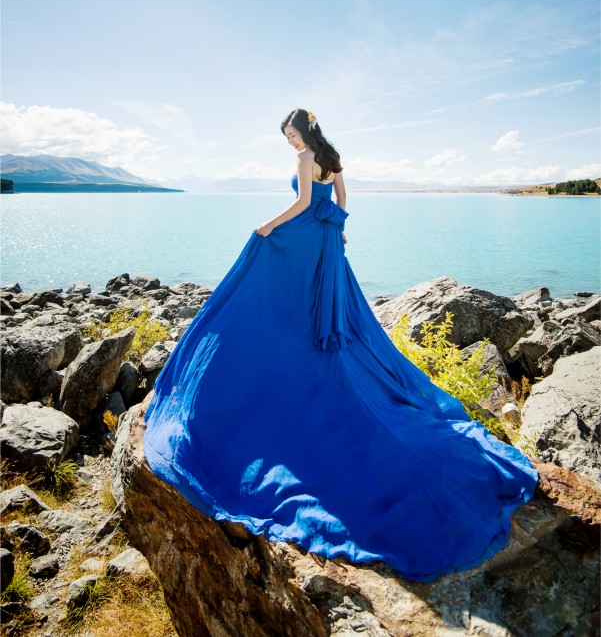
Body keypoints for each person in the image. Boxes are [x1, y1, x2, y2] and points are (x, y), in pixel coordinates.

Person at [144, 108, 537, 582]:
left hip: (310, 237)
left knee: (279, 294)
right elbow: (341, 201)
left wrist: (268, 225)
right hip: (329, 243)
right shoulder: (333, 156)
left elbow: (305, 204)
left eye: (292, 134)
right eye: (287, 138)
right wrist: (339, 230)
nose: (290, 143)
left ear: (305, 132)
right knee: (323, 308)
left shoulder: (307, 156)